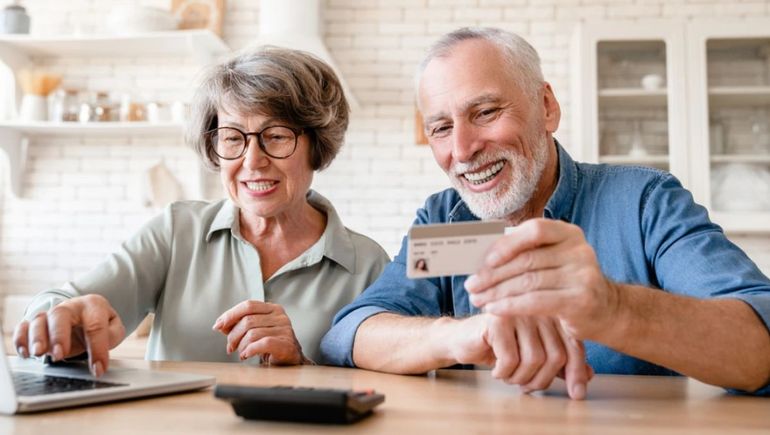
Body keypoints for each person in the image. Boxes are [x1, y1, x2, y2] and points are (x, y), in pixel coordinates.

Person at [321, 27, 770, 399]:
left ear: (547, 107)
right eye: (441, 128)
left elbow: (760, 344)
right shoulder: (446, 219)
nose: (462, 149)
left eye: (486, 111)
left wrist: (611, 307)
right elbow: (352, 333)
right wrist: (464, 334)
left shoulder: (644, 202)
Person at [13, 47, 389, 377]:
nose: (252, 161)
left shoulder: (368, 264)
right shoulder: (178, 230)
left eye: (276, 136)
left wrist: (302, 365)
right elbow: (59, 303)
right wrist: (64, 321)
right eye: (232, 138)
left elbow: (385, 392)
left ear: (316, 145)